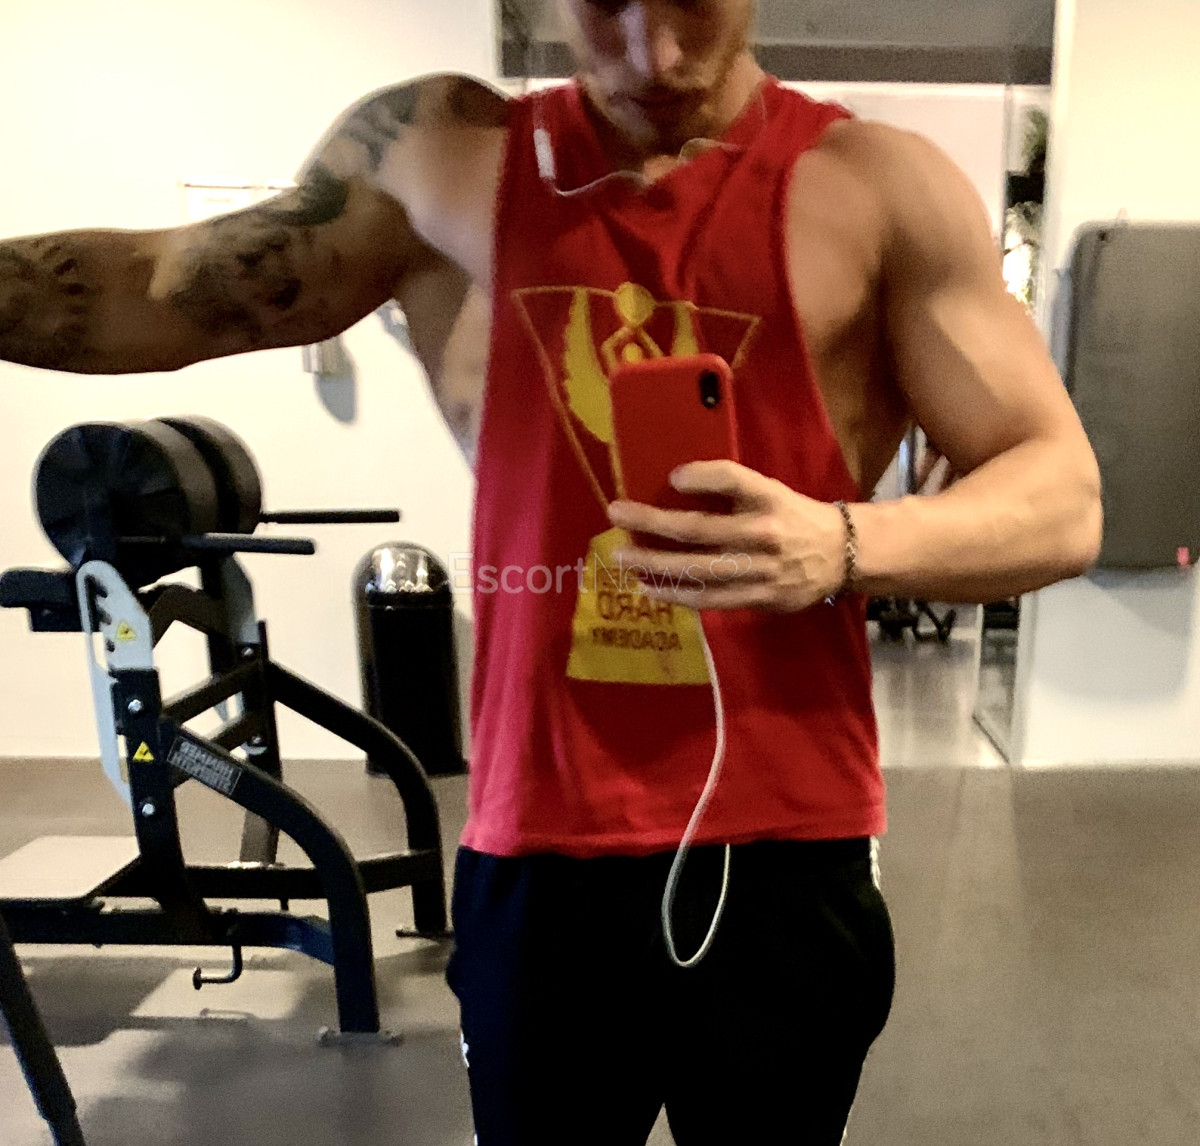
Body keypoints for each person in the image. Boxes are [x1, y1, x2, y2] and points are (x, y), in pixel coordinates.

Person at [0, 1, 1101, 1142]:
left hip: (785, 843)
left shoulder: (876, 185)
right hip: (540, 851)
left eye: (690, 1)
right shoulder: (437, 161)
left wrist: (843, 545)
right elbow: (165, 284)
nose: (653, 52)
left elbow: (1064, 495)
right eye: (607, 2)